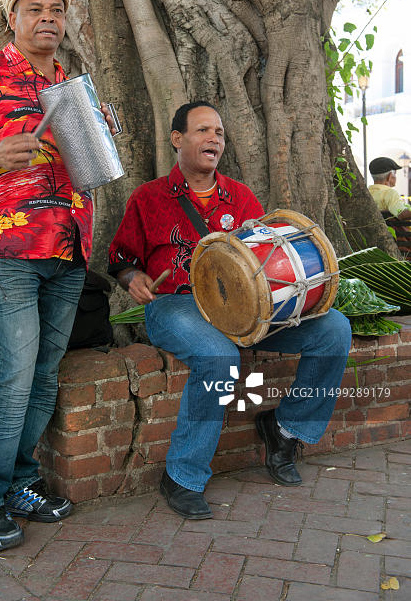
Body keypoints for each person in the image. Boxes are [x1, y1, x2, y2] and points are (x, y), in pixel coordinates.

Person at [0, 0, 116, 552]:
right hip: (11, 243)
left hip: (70, 243)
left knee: (42, 373)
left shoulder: (70, 84)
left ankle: (19, 481)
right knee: (15, 371)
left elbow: (93, 165)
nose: (47, 18)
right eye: (35, 9)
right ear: (12, 17)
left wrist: (102, 130)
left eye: (56, 9)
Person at [109, 101, 352, 520]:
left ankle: (285, 429)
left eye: (219, 133)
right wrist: (132, 277)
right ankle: (182, 475)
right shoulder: (147, 198)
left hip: (244, 310)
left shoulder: (239, 196)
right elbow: (118, 257)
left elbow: (263, 266)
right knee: (220, 359)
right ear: (177, 139)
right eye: (203, 130)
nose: (214, 139)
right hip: (177, 306)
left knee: (333, 329)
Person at [368, 157, 411, 221]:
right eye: (395, 174)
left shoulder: (366, 192)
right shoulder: (390, 194)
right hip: (392, 230)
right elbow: (401, 215)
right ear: (390, 176)